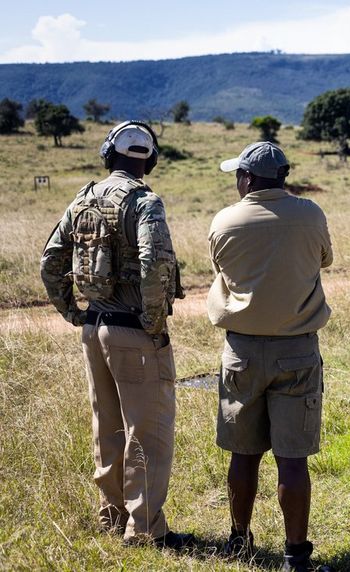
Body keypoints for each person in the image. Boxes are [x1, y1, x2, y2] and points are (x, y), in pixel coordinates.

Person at [40, 121, 193, 548]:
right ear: (151, 160)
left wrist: (72, 310)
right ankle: (144, 528)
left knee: (106, 427)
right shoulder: (145, 201)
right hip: (133, 331)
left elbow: (51, 262)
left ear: (109, 154)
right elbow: (155, 265)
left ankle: (111, 517)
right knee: (148, 433)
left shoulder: (82, 199)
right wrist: (153, 322)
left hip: (94, 328)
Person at [208, 141, 333, 570]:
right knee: (292, 459)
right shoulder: (311, 214)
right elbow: (324, 259)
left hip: (241, 349)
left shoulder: (226, 220)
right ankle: (296, 555)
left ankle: (238, 540)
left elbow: (222, 270)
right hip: (297, 350)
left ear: (245, 178)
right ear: (283, 176)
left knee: (243, 455)